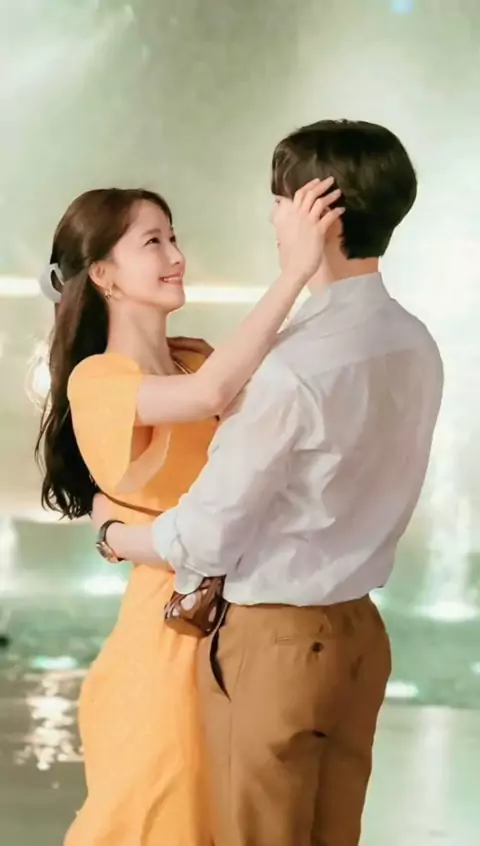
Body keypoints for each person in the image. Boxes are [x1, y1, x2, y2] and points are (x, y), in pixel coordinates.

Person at [92, 120, 444, 846]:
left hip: (276, 644)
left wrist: (115, 534)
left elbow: (208, 536)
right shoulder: (416, 343)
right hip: (360, 636)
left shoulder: (291, 368)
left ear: (318, 212)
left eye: (282, 199)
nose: (273, 214)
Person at [35, 180, 342, 846]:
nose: (176, 256)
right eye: (154, 242)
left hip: (246, 625)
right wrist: (295, 270)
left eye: (173, 237)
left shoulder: (195, 355)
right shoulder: (99, 379)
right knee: (167, 816)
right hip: (170, 635)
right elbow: (212, 395)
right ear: (103, 274)